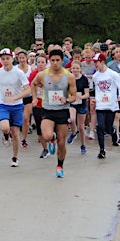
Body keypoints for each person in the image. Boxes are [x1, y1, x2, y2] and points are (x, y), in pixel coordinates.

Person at [31, 49, 77, 178]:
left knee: (62, 143)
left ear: (62, 61)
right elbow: (33, 84)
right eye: (52, 60)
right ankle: (51, 140)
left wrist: (67, 99)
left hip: (62, 110)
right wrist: (35, 98)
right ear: (49, 61)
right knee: (46, 135)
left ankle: (59, 166)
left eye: (58, 60)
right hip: (47, 109)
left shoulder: (69, 76)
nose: (55, 63)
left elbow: (74, 96)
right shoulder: (42, 75)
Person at [0, 48, 31, 167]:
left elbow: (28, 89)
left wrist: (15, 97)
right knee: (4, 126)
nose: (5, 61)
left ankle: (15, 157)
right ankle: (5, 135)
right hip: (3, 104)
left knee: (15, 133)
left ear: (12, 59)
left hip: (17, 105)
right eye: (3, 59)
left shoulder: (19, 73)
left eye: (7, 58)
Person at [92, 53, 120, 159]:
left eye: (96, 62)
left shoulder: (113, 74)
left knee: (108, 128)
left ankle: (114, 132)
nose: (95, 64)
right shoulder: (95, 76)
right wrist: (94, 99)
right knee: (100, 127)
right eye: (94, 62)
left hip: (111, 104)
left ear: (102, 62)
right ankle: (102, 150)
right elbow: (96, 89)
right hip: (100, 105)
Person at [29, 55, 50, 158]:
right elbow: (31, 87)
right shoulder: (33, 74)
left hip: (48, 104)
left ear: (46, 63)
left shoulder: (50, 74)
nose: (40, 64)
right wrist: (34, 98)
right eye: (39, 62)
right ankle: (45, 149)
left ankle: (52, 140)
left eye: (43, 62)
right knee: (39, 127)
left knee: (49, 127)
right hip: (37, 104)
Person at [66, 62, 89, 155]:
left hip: (81, 103)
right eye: (73, 68)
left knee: (81, 126)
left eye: (77, 68)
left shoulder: (84, 79)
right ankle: (73, 133)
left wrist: (82, 97)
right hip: (72, 102)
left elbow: (87, 93)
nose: (75, 70)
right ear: (71, 69)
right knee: (71, 119)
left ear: (80, 69)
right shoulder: (69, 78)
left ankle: (83, 145)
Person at [15, 49, 33, 148]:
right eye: (20, 58)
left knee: (26, 118)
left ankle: (24, 139)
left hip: (28, 96)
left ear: (26, 58)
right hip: (17, 97)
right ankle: (14, 135)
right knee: (17, 118)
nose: (22, 60)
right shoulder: (15, 69)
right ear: (17, 59)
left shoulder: (31, 68)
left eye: (23, 58)